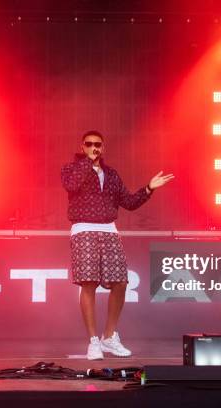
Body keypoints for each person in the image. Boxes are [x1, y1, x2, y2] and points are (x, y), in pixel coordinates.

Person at [61, 130, 174, 360]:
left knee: (121, 282)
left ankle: (109, 337)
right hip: (84, 229)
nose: (94, 147)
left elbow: (129, 202)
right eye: (89, 144)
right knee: (88, 283)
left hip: (109, 230)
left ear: (103, 147)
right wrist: (87, 163)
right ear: (82, 147)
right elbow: (71, 186)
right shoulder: (71, 169)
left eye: (98, 144)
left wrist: (149, 188)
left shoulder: (111, 175)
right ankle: (93, 342)